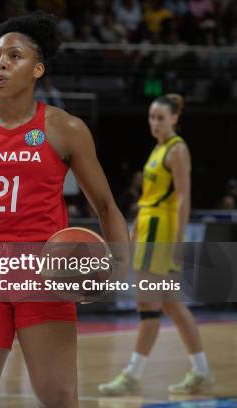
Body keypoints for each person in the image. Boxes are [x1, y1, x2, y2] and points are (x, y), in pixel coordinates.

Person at [0, 11, 129, 407]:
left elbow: (106, 206)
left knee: (58, 397)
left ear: (38, 68)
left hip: (43, 272)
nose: (0, 63)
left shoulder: (65, 128)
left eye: (14, 56)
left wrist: (117, 268)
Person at [99, 94, 213, 396]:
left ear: (175, 118)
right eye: (151, 117)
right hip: (148, 228)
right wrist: (135, 230)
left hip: (161, 232)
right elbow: (149, 198)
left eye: (161, 117)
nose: (155, 122)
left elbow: (184, 196)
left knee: (149, 306)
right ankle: (201, 371)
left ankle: (132, 374)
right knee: (171, 304)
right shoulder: (158, 149)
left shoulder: (177, 149)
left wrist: (178, 239)